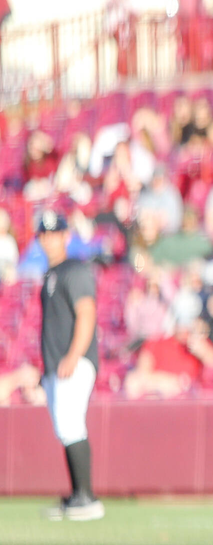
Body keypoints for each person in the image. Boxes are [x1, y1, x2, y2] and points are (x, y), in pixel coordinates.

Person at [35, 211, 104, 521]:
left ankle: (86, 497)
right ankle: (78, 495)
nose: (49, 239)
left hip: (73, 361)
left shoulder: (73, 269)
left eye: (55, 233)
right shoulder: (50, 274)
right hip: (57, 364)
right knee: (65, 427)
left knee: (70, 423)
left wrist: (74, 354)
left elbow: (86, 311)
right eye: (44, 234)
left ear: (66, 236)